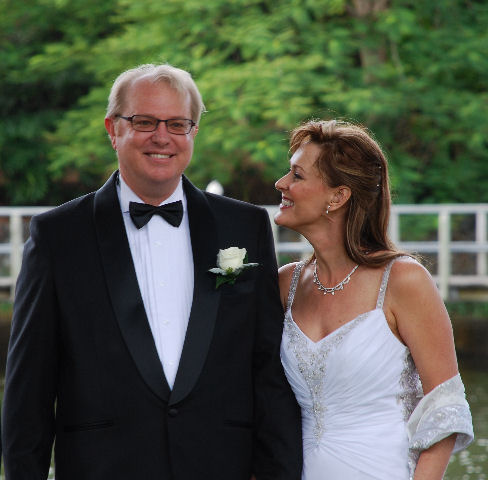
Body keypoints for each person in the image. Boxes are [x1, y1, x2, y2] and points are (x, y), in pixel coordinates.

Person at [1, 63, 302, 480]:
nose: (162, 137)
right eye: (144, 121)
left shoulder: (245, 226)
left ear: (194, 132)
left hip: (220, 466)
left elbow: (268, 368)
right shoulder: (58, 236)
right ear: (113, 129)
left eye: (178, 123)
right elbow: (28, 387)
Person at [274, 119, 474, 479]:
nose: (281, 184)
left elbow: (445, 410)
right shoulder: (285, 284)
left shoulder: (403, 281)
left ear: (338, 196)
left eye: (297, 176)